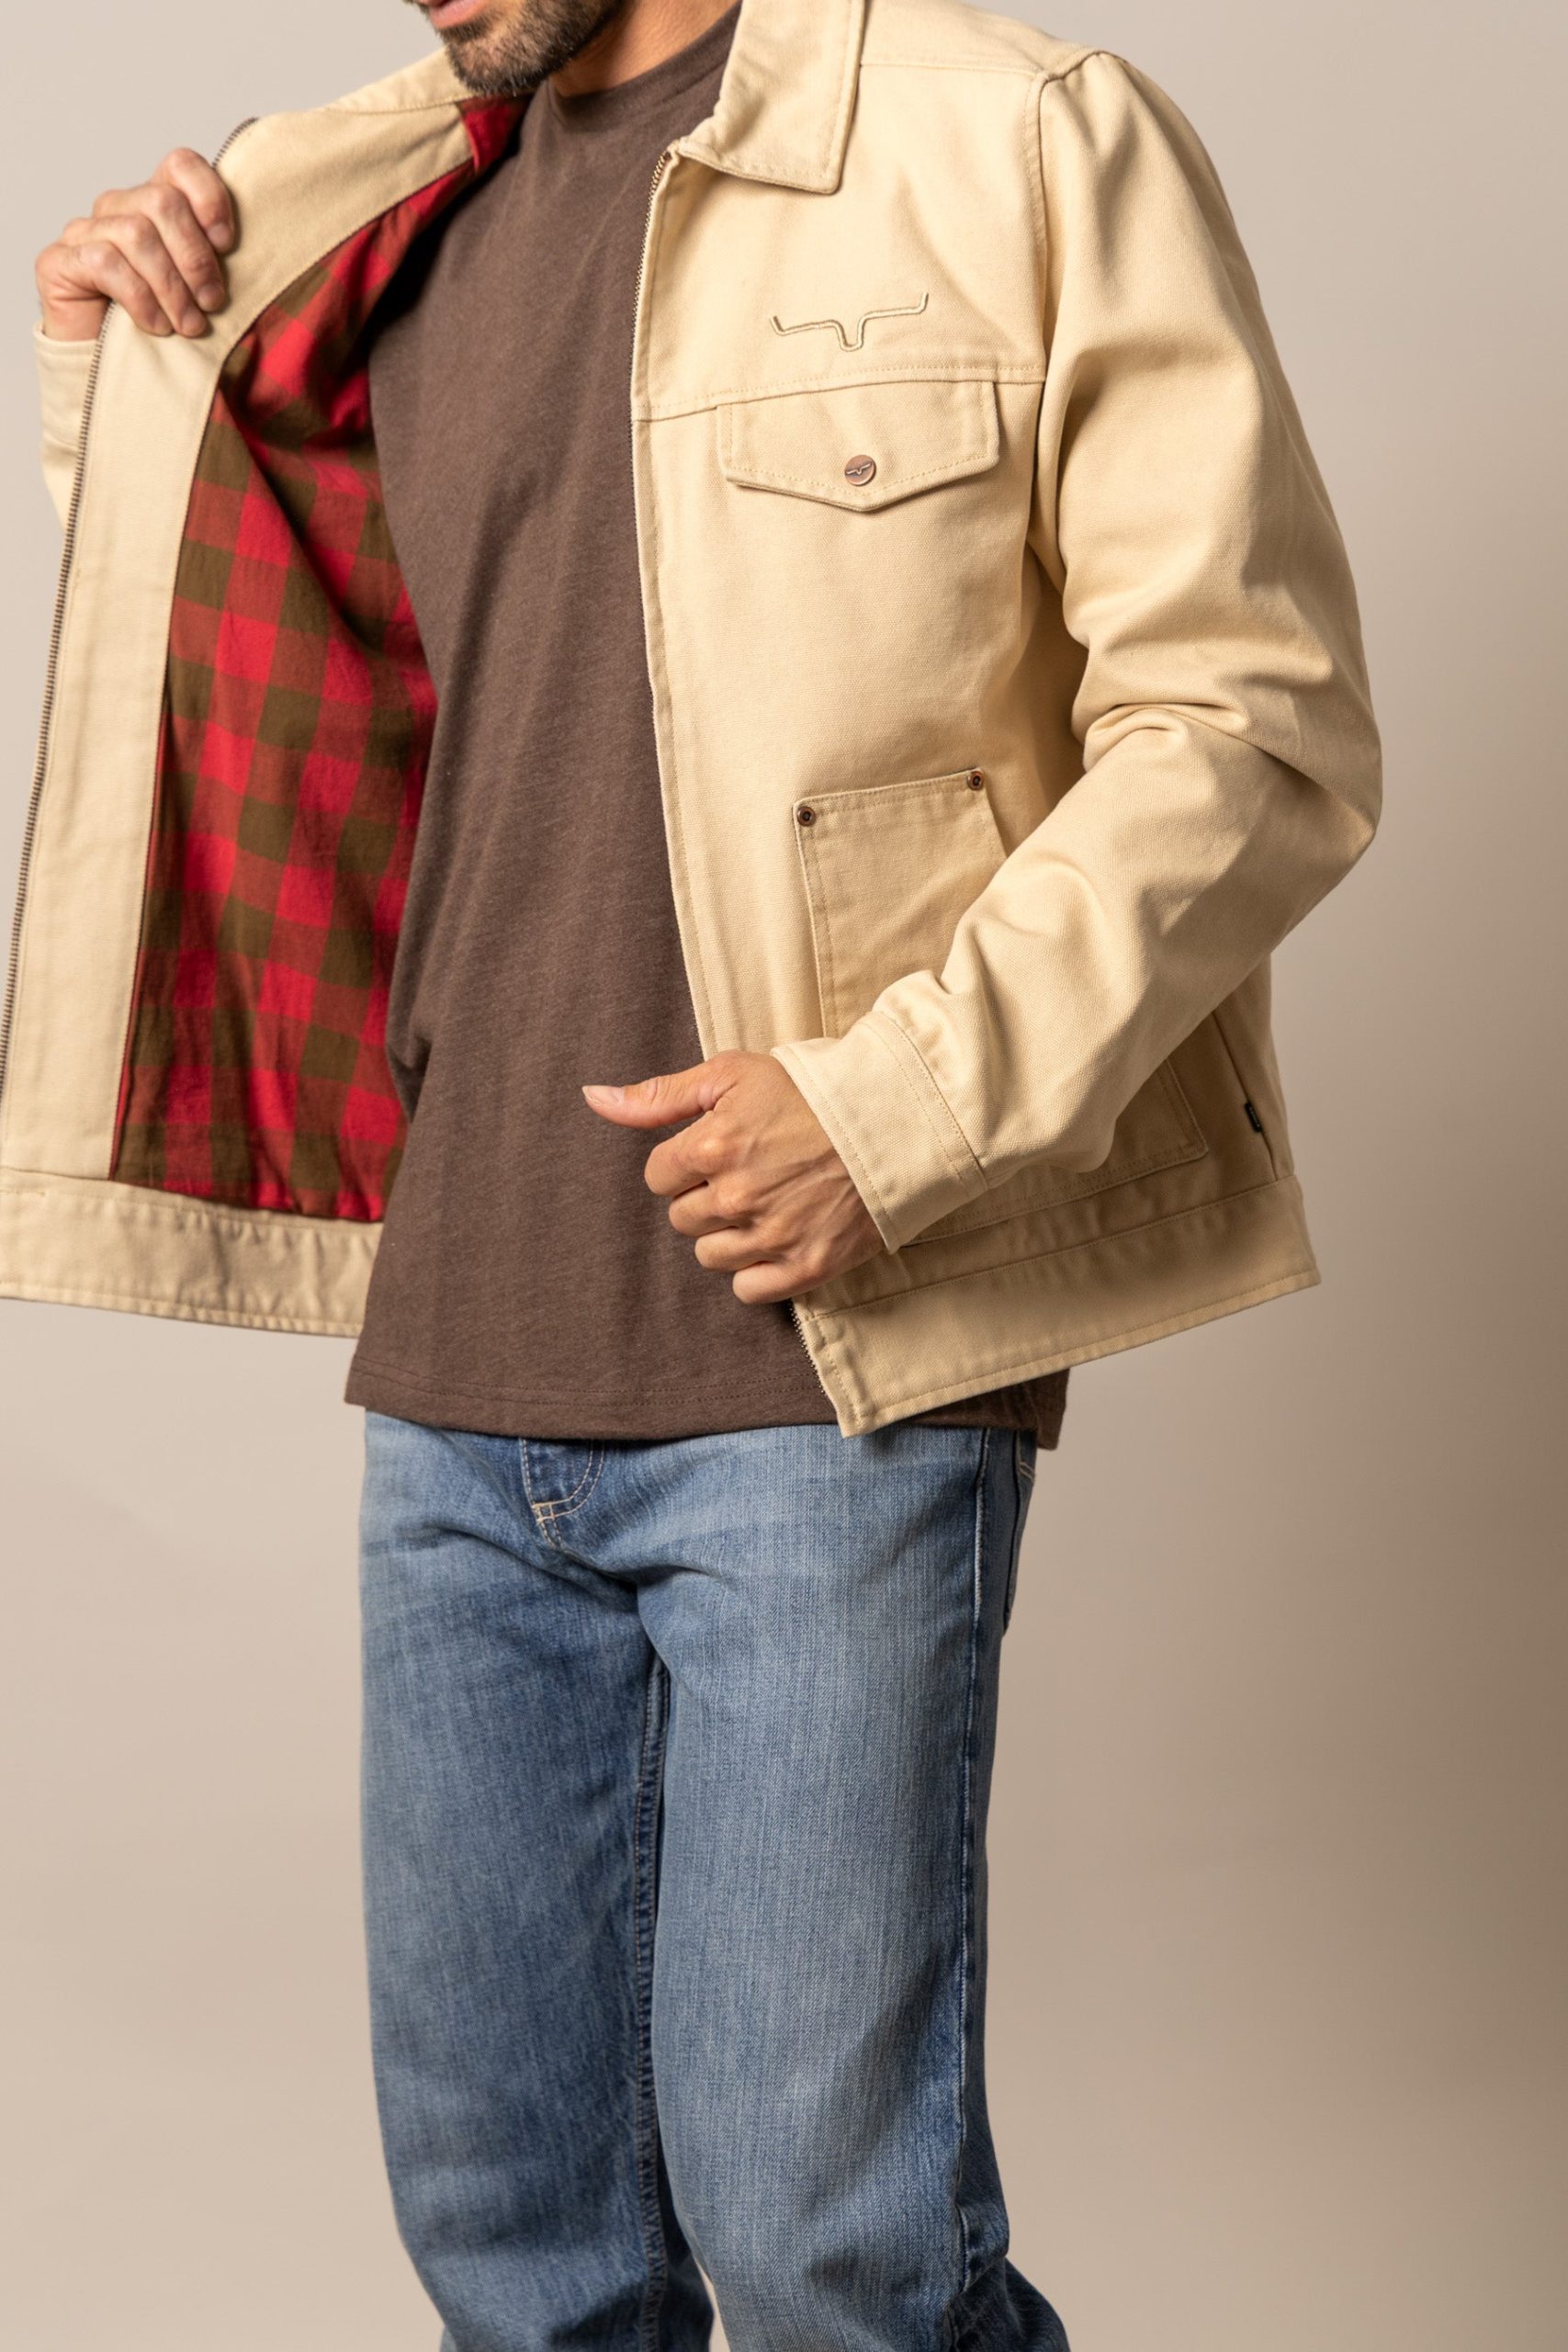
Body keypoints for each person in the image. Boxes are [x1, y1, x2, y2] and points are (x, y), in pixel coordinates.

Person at [15, 0, 1380, 2342]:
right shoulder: (377, 205)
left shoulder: (1013, 138)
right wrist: (120, 363)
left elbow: (1250, 724)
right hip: (455, 1367)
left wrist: (894, 1110)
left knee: (833, 2246)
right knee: (517, 2252)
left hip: (822, 1364)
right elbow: (291, 648)